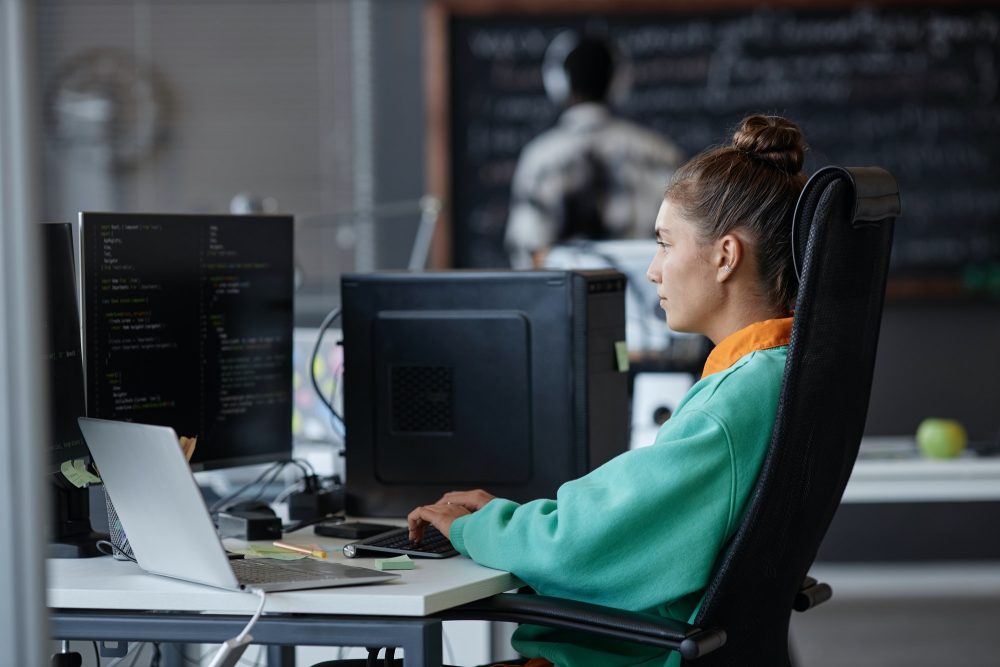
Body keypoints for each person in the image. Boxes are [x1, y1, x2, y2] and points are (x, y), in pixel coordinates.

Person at [409, 114, 810, 667]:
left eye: (666, 244)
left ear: (725, 256)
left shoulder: (734, 404)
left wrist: (481, 527)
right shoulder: (780, 371)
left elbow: (579, 544)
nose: (652, 270)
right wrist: (508, 517)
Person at [504, 32, 685, 269]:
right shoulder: (660, 153)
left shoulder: (540, 158)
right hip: (649, 300)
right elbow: (682, 241)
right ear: (618, 82)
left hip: (565, 302)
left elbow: (526, 251)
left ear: (558, 83)